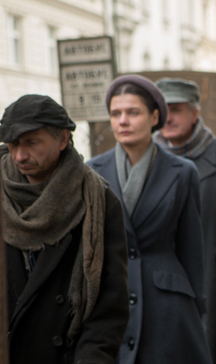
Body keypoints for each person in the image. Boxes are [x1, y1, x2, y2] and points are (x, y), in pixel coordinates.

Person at [87, 75, 212, 364]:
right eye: (116, 114)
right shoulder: (92, 171)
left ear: (155, 116)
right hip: (112, 297)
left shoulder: (182, 172)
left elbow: (192, 247)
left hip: (168, 303)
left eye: (133, 112)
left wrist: (196, 307)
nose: (123, 121)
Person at [0, 94, 129, 363]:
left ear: (62, 139)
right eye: (12, 145)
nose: (20, 155)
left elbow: (109, 302)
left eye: (31, 143)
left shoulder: (97, 200)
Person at [153, 77, 216, 362]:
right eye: (163, 110)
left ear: (195, 113)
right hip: (160, 281)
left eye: (177, 109)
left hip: (213, 282)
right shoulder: (145, 158)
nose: (168, 117)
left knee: (206, 353)